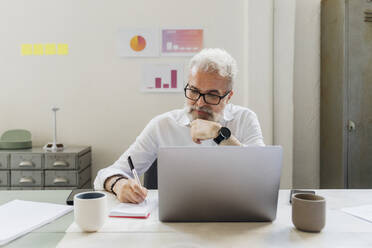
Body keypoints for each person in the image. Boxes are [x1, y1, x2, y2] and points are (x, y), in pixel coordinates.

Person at [93, 48, 265, 203]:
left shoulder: (244, 119)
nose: (199, 104)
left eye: (212, 95)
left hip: (234, 217)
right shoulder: (163, 125)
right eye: (194, 91)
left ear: (228, 97)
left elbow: (261, 176)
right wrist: (119, 184)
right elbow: (107, 174)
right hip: (174, 223)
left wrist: (219, 134)